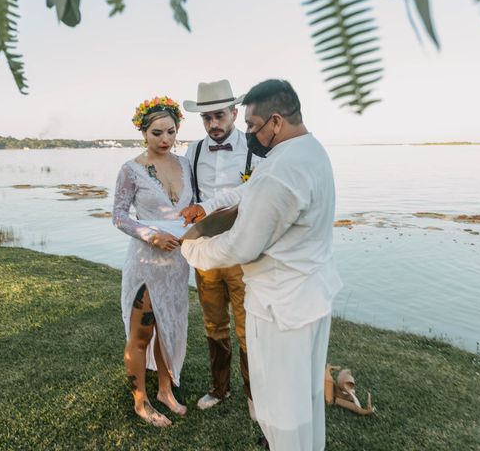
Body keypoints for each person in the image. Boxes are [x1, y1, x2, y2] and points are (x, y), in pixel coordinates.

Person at [181, 79, 343, 450]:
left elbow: (243, 245)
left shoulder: (281, 169)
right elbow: (249, 191)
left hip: (281, 307)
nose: (249, 134)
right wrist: (206, 209)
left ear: (274, 122)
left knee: (281, 406)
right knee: (304, 399)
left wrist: (190, 250)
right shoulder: (311, 151)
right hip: (310, 296)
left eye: (252, 126)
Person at [180, 79, 262, 414]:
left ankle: (254, 393)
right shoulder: (193, 151)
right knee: (214, 322)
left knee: (247, 325)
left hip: (244, 250)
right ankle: (219, 388)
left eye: (219, 116)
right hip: (207, 252)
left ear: (234, 113)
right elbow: (187, 198)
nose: (214, 124)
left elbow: (259, 196)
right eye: (207, 118)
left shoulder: (253, 148)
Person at [112, 96, 192, 427]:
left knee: (167, 330)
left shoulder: (185, 164)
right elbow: (118, 216)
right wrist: (151, 235)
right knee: (141, 333)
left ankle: (164, 391)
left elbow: (191, 207)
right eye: (157, 132)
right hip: (146, 263)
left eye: (171, 132)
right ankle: (140, 401)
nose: (165, 140)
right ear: (143, 131)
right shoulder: (130, 169)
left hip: (177, 264)